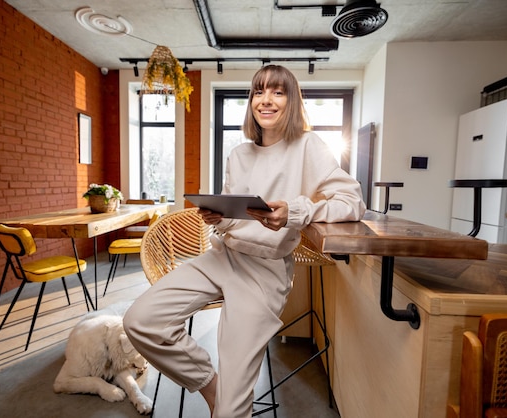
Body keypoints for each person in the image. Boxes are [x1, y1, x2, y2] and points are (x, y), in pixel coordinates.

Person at [123, 65, 366, 417]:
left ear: (292, 100)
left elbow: (352, 202)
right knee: (139, 320)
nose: (266, 100)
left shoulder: (308, 146)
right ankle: (211, 385)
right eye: (258, 91)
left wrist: (295, 213)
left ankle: (228, 402)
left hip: (264, 272)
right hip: (222, 257)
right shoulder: (239, 154)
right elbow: (235, 209)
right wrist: (218, 217)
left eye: (278, 92)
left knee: (231, 412)